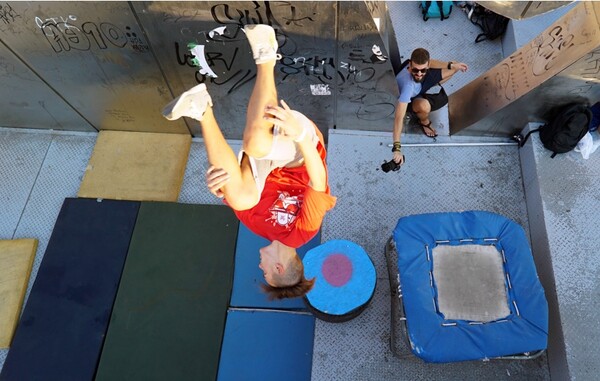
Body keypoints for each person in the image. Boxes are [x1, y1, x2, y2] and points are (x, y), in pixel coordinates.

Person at [162, 24, 336, 300]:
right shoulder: (302, 233)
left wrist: (221, 187)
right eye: (265, 272)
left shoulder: (256, 226)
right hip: (300, 152)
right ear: (279, 267)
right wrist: (302, 135)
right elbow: (318, 181)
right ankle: (266, 54)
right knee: (256, 143)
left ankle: (201, 109)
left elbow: (233, 180)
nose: (260, 267)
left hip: (265, 162)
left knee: (241, 197)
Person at [391, 48, 468, 165]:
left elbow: (432, 63)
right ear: (410, 65)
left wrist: (450, 65)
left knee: (454, 67)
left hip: (421, 85)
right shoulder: (408, 86)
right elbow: (398, 118)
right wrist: (397, 149)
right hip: (412, 99)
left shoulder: (422, 69)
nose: (419, 74)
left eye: (423, 70)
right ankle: (424, 121)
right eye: (415, 70)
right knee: (424, 106)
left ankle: (434, 83)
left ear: (427, 66)